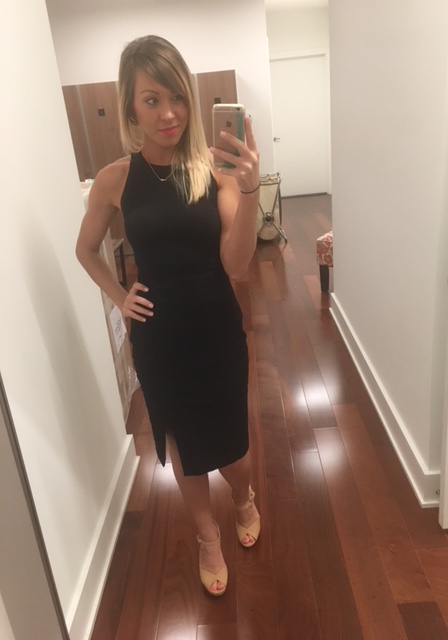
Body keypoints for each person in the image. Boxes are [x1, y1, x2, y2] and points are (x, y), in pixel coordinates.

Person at [76, 35, 261, 597]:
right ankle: (207, 536)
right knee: (181, 442)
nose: (168, 113)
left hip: (216, 330)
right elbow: (86, 249)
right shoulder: (115, 179)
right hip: (158, 338)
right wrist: (119, 296)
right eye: (151, 99)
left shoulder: (213, 171)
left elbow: (237, 266)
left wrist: (250, 190)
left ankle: (244, 495)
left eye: (176, 96)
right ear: (130, 107)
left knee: (232, 447)